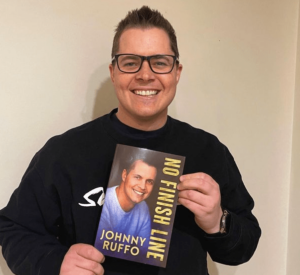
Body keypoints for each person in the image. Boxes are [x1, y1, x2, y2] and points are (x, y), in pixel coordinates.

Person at [0, 6, 261, 275]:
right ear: (114, 72)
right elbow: (13, 228)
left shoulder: (209, 151)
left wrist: (218, 221)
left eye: (160, 62)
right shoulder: (64, 152)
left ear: (177, 73)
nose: (145, 74)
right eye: (130, 62)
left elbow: (245, 245)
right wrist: (55, 263)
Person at [94, 158, 157, 259]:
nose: (143, 186)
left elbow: (145, 250)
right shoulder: (104, 201)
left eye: (149, 181)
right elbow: (100, 251)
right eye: (137, 177)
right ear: (124, 175)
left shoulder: (143, 207)